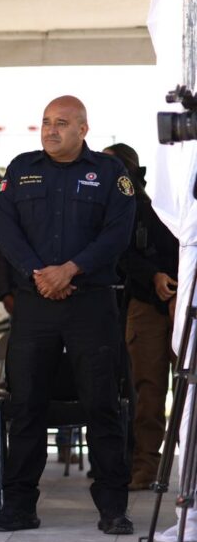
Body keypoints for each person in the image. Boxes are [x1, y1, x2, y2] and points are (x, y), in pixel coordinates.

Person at [0, 95, 135, 534]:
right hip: (35, 303)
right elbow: (7, 230)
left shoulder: (110, 172)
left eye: (62, 123)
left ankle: (112, 507)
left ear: (83, 129)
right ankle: (19, 506)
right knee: (26, 404)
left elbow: (118, 233)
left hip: (90, 302)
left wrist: (70, 269)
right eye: (47, 122)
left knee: (101, 404)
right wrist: (41, 275)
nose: (51, 130)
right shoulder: (21, 168)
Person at [104, 142, 178, 490]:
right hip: (145, 304)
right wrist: (153, 276)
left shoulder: (161, 206)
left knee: (185, 391)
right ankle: (144, 466)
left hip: (184, 302)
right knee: (146, 390)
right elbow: (120, 254)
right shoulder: (123, 209)